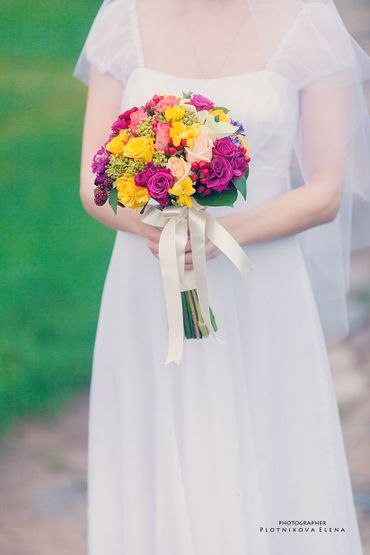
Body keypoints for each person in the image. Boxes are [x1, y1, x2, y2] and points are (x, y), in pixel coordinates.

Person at [73, 0, 370, 553]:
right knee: (159, 449)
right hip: (149, 281)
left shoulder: (308, 23)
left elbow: (327, 190)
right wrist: (148, 223)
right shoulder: (124, 19)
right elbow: (93, 180)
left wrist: (217, 236)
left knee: (264, 445)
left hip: (261, 283)